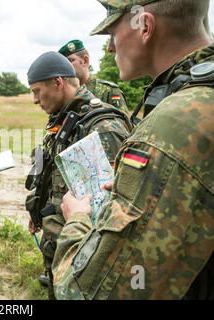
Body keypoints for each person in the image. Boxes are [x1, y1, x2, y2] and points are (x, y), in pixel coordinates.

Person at [54, 0, 213, 300]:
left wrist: (76, 219)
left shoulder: (176, 124)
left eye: (113, 34)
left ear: (146, 27)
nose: (111, 48)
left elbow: (83, 292)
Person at [25, 51, 132, 299]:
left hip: (83, 253)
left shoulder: (102, 126)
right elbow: (54, 174)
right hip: (61, 242)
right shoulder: (65, 118)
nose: (34, 100)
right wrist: (38, 210)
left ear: (58, 83)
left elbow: (110, 205)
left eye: (37, 91)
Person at [59, 39, 129, 112]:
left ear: (85, 61)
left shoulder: (108, 91)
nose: (66, 67)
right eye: (63, 63)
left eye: (70, 61)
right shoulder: (64, 94)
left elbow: (123, 121)